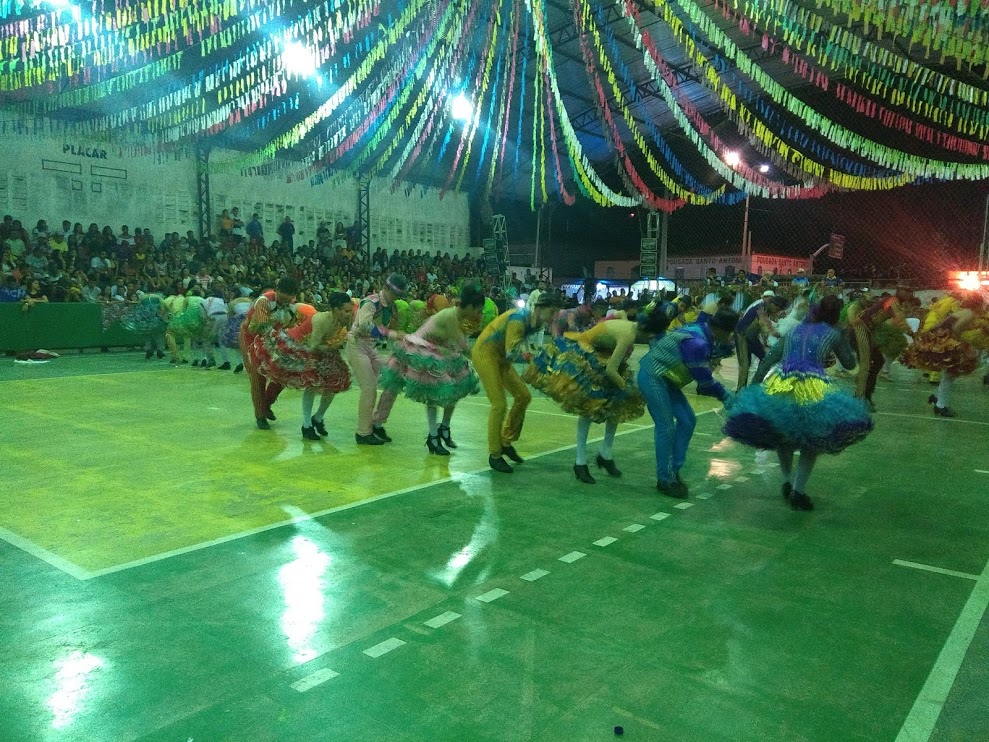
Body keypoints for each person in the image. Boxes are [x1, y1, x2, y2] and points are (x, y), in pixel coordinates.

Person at [723, 295, 873, 511]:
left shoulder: (795, 330)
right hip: (812, 385)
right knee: (811, 440)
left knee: (783, 436)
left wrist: (752, 389)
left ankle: (787, 481)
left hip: (781, 383)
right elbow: (849, 364)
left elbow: (769, 360)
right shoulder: (834, 332)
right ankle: (798, 491)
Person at [524, 304, 669, 484]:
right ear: (650, 333)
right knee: (589, 407)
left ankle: (605, 453)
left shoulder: (631, 326)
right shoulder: (628, 335)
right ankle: (580, 462)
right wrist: (628, 388)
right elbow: (610, 370)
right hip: (586, 353)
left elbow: (619, 313)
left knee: (617, 405)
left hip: (603, 354)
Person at [638, 308, 739, 498]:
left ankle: (673, 470)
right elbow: (704, 381)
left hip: (667, 379)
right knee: (666, 427)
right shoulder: (697, 343)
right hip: (654, 377)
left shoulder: (701, 329)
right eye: (730, 333)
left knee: (687, 420)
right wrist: (724, 395)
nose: (731, 338)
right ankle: (665, 479)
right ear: (723, 330)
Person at [376, 285, 486, 455]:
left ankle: (444, 428)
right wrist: (486, 362)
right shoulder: (450, 316)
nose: (479, 314)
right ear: (471, 306)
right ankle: (432, 436)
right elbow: (463, 346)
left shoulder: (461, 317)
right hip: (421, 349)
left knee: (458, 383)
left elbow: (459, 344)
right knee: (434, 390)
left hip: (441, 349)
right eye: (478, 310)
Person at [472, 291, 563, 473]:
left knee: (523, 396)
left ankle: (506, 441)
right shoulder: (518, 319)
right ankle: (495, 454)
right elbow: (512, 351)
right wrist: (537, 360)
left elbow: (522, 347)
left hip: (499, 357)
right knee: (499, 404)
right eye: (552, 312)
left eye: (556, 313)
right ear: (540, 308)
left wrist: (540, 357)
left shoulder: (535, 323)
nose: (554, 317)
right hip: (485, 354)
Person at [253, 292, 353, 440]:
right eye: (346, 311)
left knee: (335, 382)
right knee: (311, 383)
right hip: (299, 346)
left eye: (350, 310)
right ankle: (306, 425)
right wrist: (334, 345)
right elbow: (313, 346)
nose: (349, 314)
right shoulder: (321, 320)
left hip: (320, 348)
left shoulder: (342, 320)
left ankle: (318, 418)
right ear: (336, 309)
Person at [347, 273, 408, 445]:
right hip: (357, 345)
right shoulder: (370, 302)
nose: (397, 298)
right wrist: (392, 334)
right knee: (369, 388)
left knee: (393, 380)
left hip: (371, 347)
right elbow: (364, 326)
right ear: (386, 288)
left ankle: (378, 423)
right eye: (395, 294)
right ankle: (363, 432)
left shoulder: (392, 307)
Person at [903, 294, 988, 417]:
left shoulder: (963, 311)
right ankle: (940, 406)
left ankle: (938, 397)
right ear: (978, 304)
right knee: (950, 373)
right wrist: (960, 346)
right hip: (945, 342)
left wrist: (928, 336)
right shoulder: (970, 314)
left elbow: (940, 324)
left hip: (939, 339)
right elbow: (956, 329)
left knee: (950, 373)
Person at [240, 277, 301, 430]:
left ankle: (266, 404)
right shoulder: (263, 301)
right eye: (282, 294)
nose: (285, 299)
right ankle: (260, 416)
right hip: (251, 338)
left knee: (284, 372)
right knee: (258, 375)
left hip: (274, 338)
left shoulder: (293, 306)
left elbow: (292, 327)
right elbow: (262, 327)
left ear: (294, 295)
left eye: (289, 296)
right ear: (277, 290)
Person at [735, 291, 784, 392]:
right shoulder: (760, 308)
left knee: (765, 359)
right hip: (742, 336)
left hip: (752, 337)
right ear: (773, 304)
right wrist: (777, 334)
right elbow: (764, 325)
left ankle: (756, 385)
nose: (777, 312)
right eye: (777, 309)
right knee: (745, 364)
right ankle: (740, 391)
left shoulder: (766, 309)